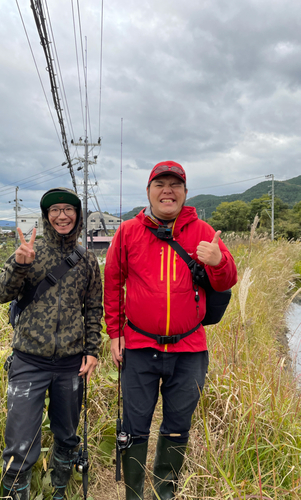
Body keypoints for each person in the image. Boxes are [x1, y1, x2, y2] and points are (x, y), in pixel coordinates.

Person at [104, 161, 237, 500]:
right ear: (148, 192)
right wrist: (115, 333)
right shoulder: (128, 232)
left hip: (189, 348)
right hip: (137, 346)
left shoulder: (204, 231)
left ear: (185, 193)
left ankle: (165, 492)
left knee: (178, 426)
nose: (168, 190)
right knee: (134, 427)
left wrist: (218, 261)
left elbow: (226, 281)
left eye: (175, 185)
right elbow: (113, 283)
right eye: (160, 184)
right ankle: (134, 493)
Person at [0, 187, 103, 500]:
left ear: (78, 216)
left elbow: (94, 308)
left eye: (68, 209)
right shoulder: (31, 252)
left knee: (68, 437)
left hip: (71, 364)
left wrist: (91, 351)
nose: (62, 215)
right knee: (19, 445)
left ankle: (59, 491)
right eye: (54, 210)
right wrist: (19, 264)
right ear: (46, 217)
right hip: (29, 361)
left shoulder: (87, 260)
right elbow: (1, 294)